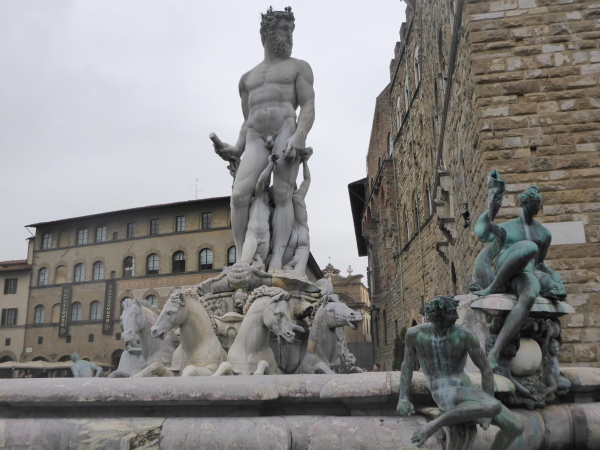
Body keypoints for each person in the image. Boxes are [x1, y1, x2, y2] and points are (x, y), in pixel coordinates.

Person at [214, 6, 315, 273]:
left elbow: (308, 106)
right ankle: (242, 258)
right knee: (239, 195)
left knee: (282, 193)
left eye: (292, 29)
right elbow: (248, 120)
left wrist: (300, 135)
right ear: (268, 33)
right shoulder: (247, 79)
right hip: (256, 138)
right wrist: (236, 147)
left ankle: (277, 260)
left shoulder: (299, 67)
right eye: (284, 29)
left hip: (286, 130)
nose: (290, 34)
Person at [397, 296, 523, 449]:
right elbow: (407, 365)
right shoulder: (415, 334)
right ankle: (431, 427)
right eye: (451, 313)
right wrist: (403, 398)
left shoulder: (465, 335)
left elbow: (486, 370)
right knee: (493, 406)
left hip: (466, 390)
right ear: (438, 316)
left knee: (516, 427)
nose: (456, 316)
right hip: (443, 392)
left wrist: (486, 408)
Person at [471, 171, 566, 370]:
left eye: (539, 204)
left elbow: (540, 263)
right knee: (528, 247)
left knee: (530, 293)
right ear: (525, 203)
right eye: (535, 204)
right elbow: (481, 233)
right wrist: (491, 207)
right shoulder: (509, 227)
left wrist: (554, 278)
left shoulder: (544, 233)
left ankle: (495, 351)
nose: (538, 208)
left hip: (524, 274)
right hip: (504, 266)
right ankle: (494, 286)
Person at [239, 154, 278, 269]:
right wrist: (270, 165)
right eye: (266, 191)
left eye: (268, 192)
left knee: (261, 265)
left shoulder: (269, 208)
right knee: (245, 262)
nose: (267, 192)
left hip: (265, 235)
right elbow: (261, 181)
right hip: (253, 234)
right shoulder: (258, 198)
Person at [282, 147, 312, 276]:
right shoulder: (299, 196)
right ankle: (295, 269)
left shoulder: (281, 201)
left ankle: (288, 266)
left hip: (290, 236)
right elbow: (307, 180)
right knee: (299, 273)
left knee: (282, 269)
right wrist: (305, 162)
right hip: (303, 233)